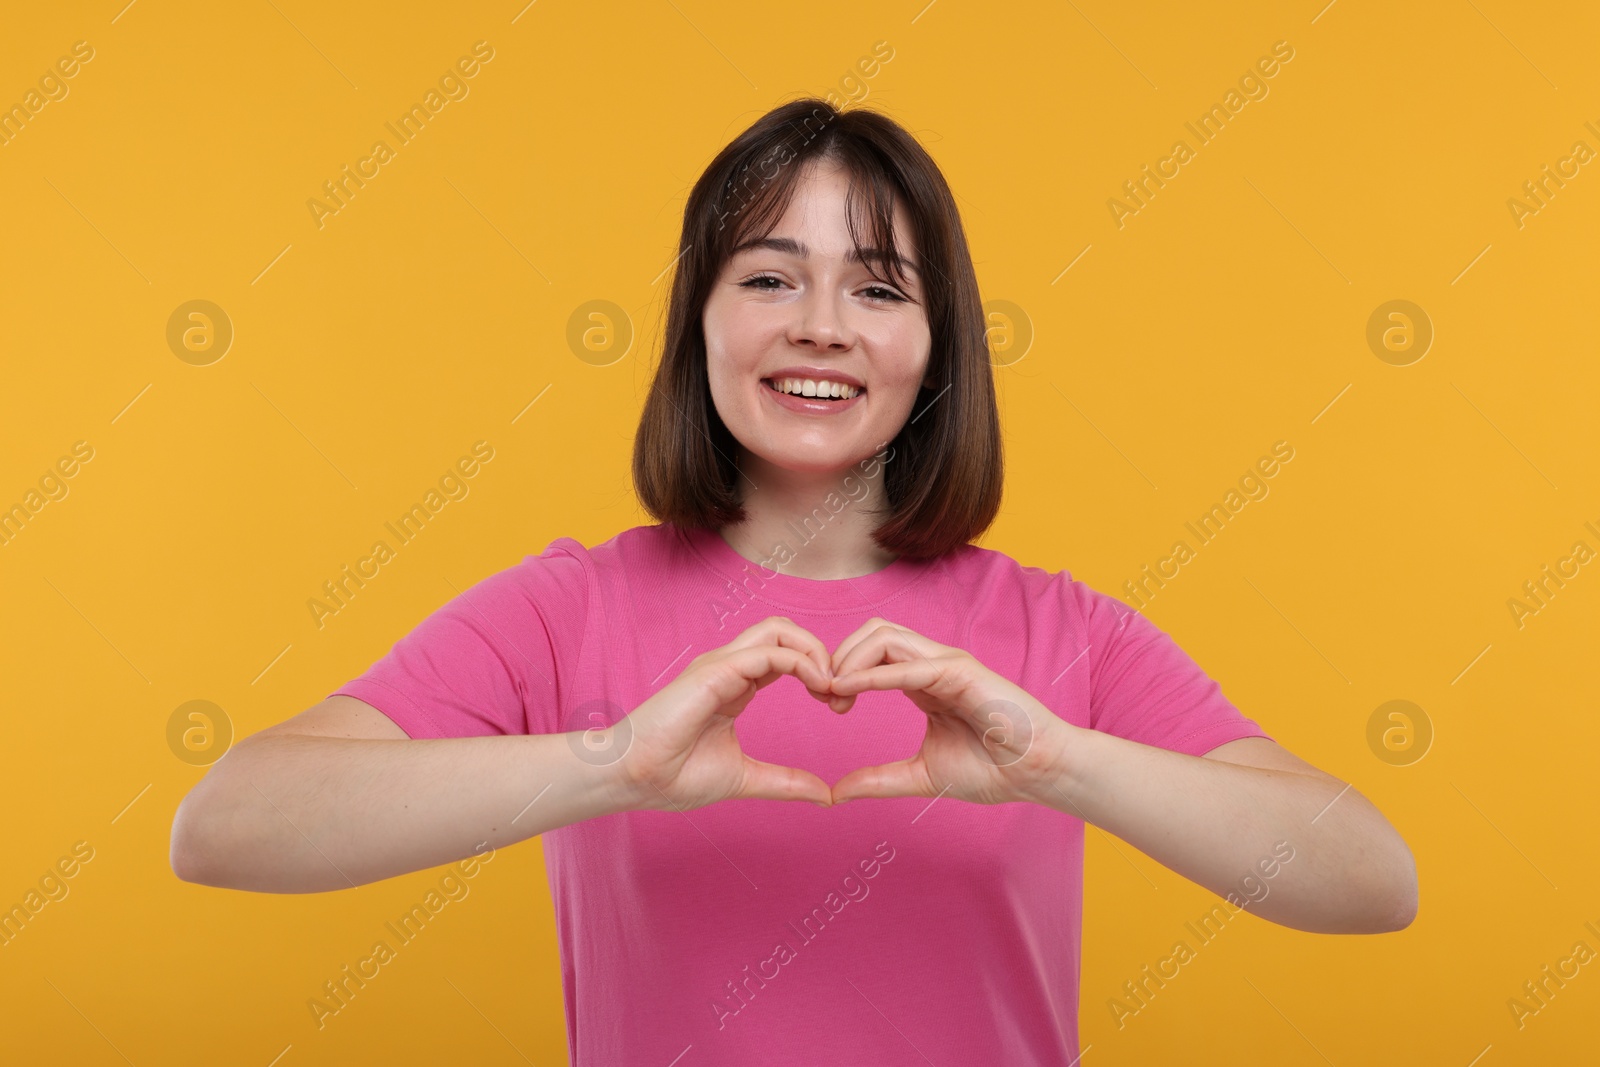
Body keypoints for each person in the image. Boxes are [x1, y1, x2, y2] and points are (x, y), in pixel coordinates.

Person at [170, 97, 1417, 1064]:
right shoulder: (569, 607)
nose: (820, 323)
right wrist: (609, 764)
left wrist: (1058, 762)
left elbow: (1368, 880)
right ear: (696, 323)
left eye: (877, 289)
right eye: (767, 276)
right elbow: (228, 828)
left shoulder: (1055, 628)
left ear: (934, 347)